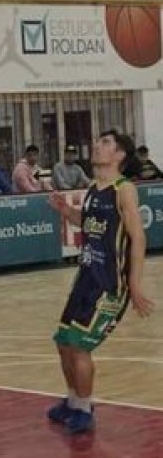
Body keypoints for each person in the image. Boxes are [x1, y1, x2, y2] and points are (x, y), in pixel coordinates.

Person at [47, 131, 154, 434]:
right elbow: (89, 223)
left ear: (120, 155)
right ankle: (72, 401)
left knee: (80, 347)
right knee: (64, 343)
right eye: (97, 141)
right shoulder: (94, 187)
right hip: (85, 278)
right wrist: (66, 210)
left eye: (105, 143)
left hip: (109, 284)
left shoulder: (124, 189)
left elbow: (138, 237)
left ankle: (84, 407)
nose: (96, 145)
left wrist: (134, 284)